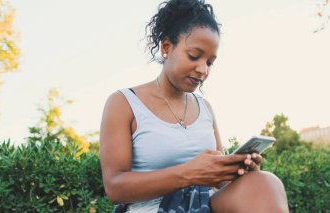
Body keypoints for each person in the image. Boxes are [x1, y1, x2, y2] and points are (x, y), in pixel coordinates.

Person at [99, 0, 289, 212]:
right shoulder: (124, 103)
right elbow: (115, 188)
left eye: (209, 62)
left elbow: (220, 183)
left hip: (207, 203)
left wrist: (238, 172)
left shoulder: (205, 108)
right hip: (154, 208)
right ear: (166, 47)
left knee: (266, 183)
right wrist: (189, 173)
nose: (203, 70)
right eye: (194, 56)